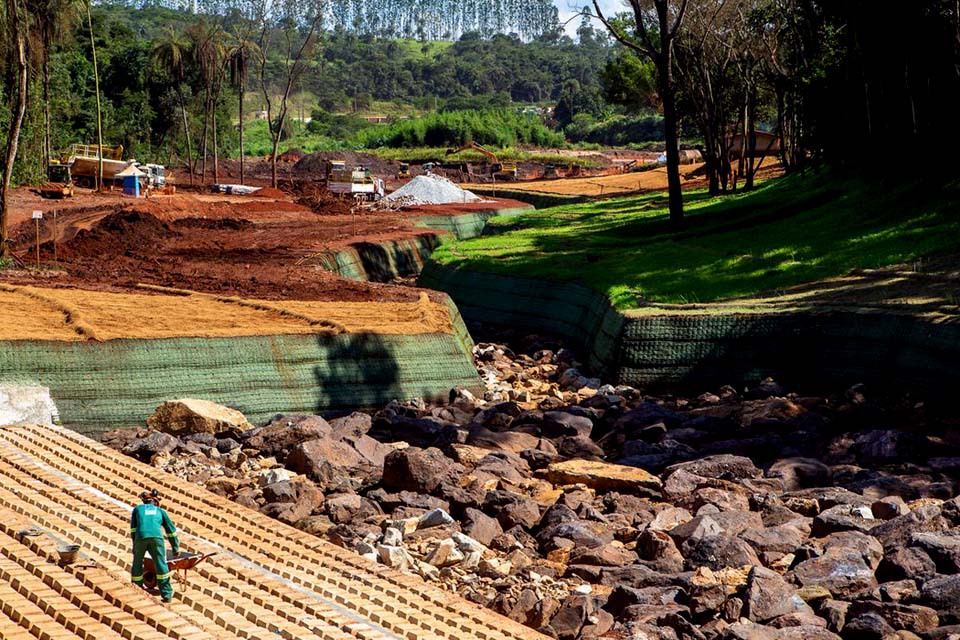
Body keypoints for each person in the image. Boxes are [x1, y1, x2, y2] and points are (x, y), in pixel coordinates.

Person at [130, 488, 180, 602]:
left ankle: (136, 589)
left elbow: (133, 529)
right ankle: (166, 594)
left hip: (140, 538)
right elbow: (171, 531)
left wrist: (135, 544)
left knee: (137, 563)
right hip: (157, 539)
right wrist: (175, 548)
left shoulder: (137, 509)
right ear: (155, 501)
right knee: (161, 564)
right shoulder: (160, 511)